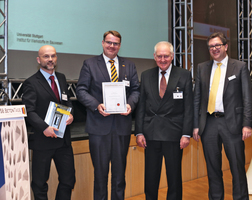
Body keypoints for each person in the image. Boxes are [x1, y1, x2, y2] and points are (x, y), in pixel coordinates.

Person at [76, 30, 140, 200]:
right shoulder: (89, 64)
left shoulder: (129, 65)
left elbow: (135, 90)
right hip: (98, 128)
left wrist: (130, 104)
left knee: (120, 176)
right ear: (103, 43)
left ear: (120, 45)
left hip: (121, 127)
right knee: (100, 175)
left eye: (116, 43)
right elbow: (81, 90)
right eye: (109, 42)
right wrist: (97, 105)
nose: (112, 46)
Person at [193, 32, 252, 200]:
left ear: (225, 46)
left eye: (217, 45)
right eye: (211, 46)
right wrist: (196, 125)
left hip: (232, 124)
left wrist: (247, 124)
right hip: (209, 123)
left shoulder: (239, 67)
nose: (214, 49)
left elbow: (247, 97)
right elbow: (197, 98)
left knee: (237, 168)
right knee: (213, 169)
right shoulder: (202, 68)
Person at [135, 41, 193, 200]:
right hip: (150, 134)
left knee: (174, 177)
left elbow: (189, 107)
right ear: (154, 57)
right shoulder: (146, 75)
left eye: (166, 56)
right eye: (159, 56)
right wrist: (139, 132)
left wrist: (186, 134)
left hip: (174, 135)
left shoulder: (184, 75)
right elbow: (141, 107)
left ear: (172, 56)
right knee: (151, 176)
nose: (162, 59)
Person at [22, 45, 75, 200]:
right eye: (46, 56)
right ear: (39, 60)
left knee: (68, 180)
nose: (50, 59)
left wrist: (70, 114)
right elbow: (29, 111)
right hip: (43, 140)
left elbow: (67, 103)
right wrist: (44, 128)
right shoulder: (31, 82)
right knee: (39, 184)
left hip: (63, 140)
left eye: (53, 56)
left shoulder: (62, 78)